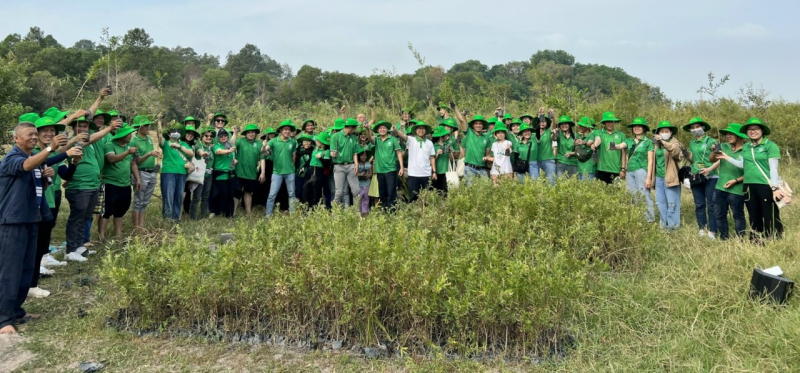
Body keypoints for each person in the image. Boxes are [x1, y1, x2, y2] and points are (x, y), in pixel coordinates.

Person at [0, 121, 58, 334]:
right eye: (29, 135)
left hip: (32, 219)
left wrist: (44, 178)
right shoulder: (12, 159)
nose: (34, 137)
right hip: (13, 222)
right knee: (9, 271)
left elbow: (34, 189)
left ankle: (16, 311)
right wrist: (51, 149)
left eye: (36, 134)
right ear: (16, 139)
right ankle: (3, 319)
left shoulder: (32, 161)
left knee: (26, 269)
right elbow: (23, 167)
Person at [29, 115, 82, 298]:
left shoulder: (51, 154)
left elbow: (65, 175)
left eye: (52, 131)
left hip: (49, 201)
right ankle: (30, 282)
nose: (50, 134)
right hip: (33, 205)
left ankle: (33, 281)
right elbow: (37, 163)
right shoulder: (33, 151)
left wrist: (74, 163)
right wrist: (66, 152)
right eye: (45, 131)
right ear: (35, 134)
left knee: (42, 242)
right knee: (33, 245)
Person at [63, 110, 119, 262]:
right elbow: (90, 137)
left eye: (85, 126)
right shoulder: (74, 141)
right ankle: (70, 249)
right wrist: (109, 127)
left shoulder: (91, 142)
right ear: (73, 128)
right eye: (79, 126)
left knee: (86, 216)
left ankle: (79, 245)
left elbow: (94, 137)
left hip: (93, 184)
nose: (82, 129)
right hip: (79, 185)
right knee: (77, 217)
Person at [739, 118, 786, 241]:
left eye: (756, 129)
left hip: (765, 185)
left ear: (762, 130)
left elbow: (773, 169)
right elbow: (743, 165)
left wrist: (775, 188)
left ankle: (774, 237)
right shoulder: (746, 147)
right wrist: (726, 157)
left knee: (769, 212)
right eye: (750, 129)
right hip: (749, 185)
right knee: (753, 213)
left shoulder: (770, 146)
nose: (753, 131)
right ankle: (756, 238)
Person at [101, 124, 140, 240]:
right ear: (121, 135)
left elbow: (133, 164)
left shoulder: (129, 146)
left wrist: (138, 179)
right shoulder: (109, 145)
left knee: (121, 211)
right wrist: (127, 152)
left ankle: (118, 235)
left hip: (125, 184)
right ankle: (101, 236)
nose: (130, 136)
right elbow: (111, 159)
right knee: (107, 210)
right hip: (111, 183)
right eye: (128, 134)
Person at [709, 123, 747, 240]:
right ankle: (724, 238)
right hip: (720, 187)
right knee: (719, 215)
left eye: (731, 134)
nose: (728, 136)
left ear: (739, 136)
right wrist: (714, 152)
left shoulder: (746, 150)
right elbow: (711, 160)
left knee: (738, 216)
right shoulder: (724, 146)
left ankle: (740, 239)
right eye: (727, 134)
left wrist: (735, 181)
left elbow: (750, 172)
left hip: (736, 189)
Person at [684, 117, 719, 239]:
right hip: (696, 176)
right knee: (699, 204)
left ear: (703, 127)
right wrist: (684, 153)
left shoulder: (711, 141)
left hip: (710, 176)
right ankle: (702, 228)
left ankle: (713, 230)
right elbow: (692, 159)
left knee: (711, 204)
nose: (695, 129)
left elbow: (720, 158)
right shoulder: (692, 142)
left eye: (697, 127)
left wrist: (709, 169)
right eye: (692, 128)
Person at [652, 121, 684, 230]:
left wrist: (663, 142)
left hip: (671, 177)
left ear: (671, 132)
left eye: (666, 131)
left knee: (672, 203)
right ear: (658, 133)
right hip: (659, 178)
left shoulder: (675, 142)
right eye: (662, 131)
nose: (664, 133)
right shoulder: (656, 144)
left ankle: (673, 227)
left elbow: (675, 151)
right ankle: (663, 225)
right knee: (660, 202)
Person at [129, 115, 160, 229]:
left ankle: (141, 225)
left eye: (148, 125)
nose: (148, 127)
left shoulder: (148, 139)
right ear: (139, 127)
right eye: (146, 125)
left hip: (152, 173)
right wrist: (149, 154)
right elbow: (135, 161)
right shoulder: (134, 141)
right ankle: (136, 227)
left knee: (145, 201)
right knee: (138, 200)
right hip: (141, 173)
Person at [624, 117, 655, 223]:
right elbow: (620, 146)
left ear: (644, 128)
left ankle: (649, 219)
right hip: (630, 171)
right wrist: (613, 146)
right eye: (634, 126)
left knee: (644, 195)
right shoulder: (629, 140)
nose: (636, 128)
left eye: (639, 126)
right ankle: (638, 219)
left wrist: (648, 178)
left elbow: (650, 161)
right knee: (632, 195)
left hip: (642, 171)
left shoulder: (648, 142)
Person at [264, 119, 298, 216]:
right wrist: (264, 147)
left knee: (291, 194)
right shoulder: (274, 141)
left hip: (290, 172)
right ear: (281, 130)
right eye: (285, 129)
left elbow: (294, 156)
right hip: (277, 172)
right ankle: (268, 215)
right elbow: (265, 151)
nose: (287, 131)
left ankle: (293, 214)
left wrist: (292, 166)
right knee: (272, 195)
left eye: (289, 130)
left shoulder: (293, 142)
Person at [160, 125, 194, 221]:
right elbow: (160, 139)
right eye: (173, 130)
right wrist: (159, 127)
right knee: (168, 196)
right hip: (168, 172)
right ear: (168, 133)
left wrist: (179, 147)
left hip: (182, 173)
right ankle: (167, 219)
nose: (176, 132)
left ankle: (175, 219)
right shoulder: (166, 143)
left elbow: (191, 153)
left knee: (178, 197)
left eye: (178, 130)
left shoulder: (183, 144)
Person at [395, 121, 435, 202]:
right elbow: (402, 136)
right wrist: (396, 130)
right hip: (413, 174)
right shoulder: (411, 140)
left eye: (423, 128)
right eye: (419, 128)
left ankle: (424, 214)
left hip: (426, 174)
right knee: (413, 197)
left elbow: (432, 158)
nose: (421, 130)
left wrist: (434, 171)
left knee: (426, 198)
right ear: (416, 130)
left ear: (425, 130)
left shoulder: (430, 143)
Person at [370, 121, 404, 210]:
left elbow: (398, 152)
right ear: (377, 130)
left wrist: (401, 167)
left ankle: (392, 211)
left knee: (391, 192)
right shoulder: (376, 140)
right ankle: (385, 211)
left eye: (384, 128)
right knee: (382, 192)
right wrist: (366, 128)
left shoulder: (393, 139)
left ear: (387, 129)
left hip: (390, 170)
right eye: (380, 128)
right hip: (379, 170)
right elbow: (369, 138)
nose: (382, 129)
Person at [330, 118, 360, 207]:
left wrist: (356, 164)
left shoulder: (353, 138)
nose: (355, 130)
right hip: (339, 166)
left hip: (351, 165)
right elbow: (332, 152)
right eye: (354, 128)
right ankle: (335, 213)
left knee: (356, 191)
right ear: (351, 128)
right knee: (339, 192)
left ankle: (357, 213)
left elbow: (355, 153)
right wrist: (332, 154)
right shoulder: (335, 136)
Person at [592, 111, 627, 185]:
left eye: (612, 122)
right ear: (604, 123)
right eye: (607, 122)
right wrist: (594, 145)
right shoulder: (598, 132)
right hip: (602, 169)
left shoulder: (621, 135)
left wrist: (623, 169)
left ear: (614, 122)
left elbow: (623, 153)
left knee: (616, 194)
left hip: (616, 170)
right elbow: (598, 140)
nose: (610, 124)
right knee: (601, 194)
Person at [456, 113, 491, 186]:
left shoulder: (486, 138)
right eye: (476, 124)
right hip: (470, 168)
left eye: (480, 124)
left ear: (483, 125)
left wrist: (489, 167)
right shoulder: (469, 133)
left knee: (486, 188)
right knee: (471, 190)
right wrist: (454, 108)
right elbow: (462, 121)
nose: (478, 125)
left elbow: (488, 154)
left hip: (482, 169)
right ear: (473, 125)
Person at [235, 124, 262, 214]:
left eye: (252, 132)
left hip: (251, 173)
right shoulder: (240, 141)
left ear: (255, 133)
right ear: (245, 134)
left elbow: (263, 157)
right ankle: (233, 212)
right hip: (239, 172)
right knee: (237, 192)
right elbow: (231, 144)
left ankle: (248, 212)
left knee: (248, 192)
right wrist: (235, 133)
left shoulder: (259, 144)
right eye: (249, 132)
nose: (251, 134)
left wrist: (263, 172)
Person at [189, 127, 215, 219]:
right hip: (200, 175)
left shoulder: (211, 148)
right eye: (206, 136)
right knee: (196, 197)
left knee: (205, 197)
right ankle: (192, 217)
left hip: (209, 175)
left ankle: (203, 216)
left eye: (211, 136)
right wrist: (203, 154)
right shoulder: (199, 145)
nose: (209, 137)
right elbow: (199, 152)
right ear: (202, 137)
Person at [212, 129, 236, 217]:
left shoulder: (230, 145)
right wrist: (228, 151)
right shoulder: (216, 146)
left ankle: (230, 214)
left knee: (230, 195)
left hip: (231, 173)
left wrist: (234, 161)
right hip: (221, 174)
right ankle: (220, 213)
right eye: (221, 136)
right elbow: (218, 152)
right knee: (222, 195)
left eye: (225, 135)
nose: (223, 137)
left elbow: (232, 157)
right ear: (218, 137)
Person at [305, 132, 331, 207]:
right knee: (307, 190)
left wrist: (320, 158)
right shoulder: (315, 148)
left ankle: (317, 208)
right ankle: (308, 208)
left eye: (318, 140)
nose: (316, 141)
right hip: (310, 170)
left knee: (317, 192)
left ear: (322, 142)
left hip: (318, 172)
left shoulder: (326, 151)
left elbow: (326, 164)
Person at [181, 125, 201, 216]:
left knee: (187, 191)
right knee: (181, 191)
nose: (190, 135)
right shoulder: (179, 142)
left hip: (189, 170)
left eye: (192, 134)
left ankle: (186, 211)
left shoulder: (193, 145)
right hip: (180, 169)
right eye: (188, 133)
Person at [431, 126, 457, 193]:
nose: (447, 136)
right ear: (441, 136)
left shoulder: (448, 145)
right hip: (436, 172)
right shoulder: (433, 146)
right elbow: (431, 160)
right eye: (446, 135)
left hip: (447, 172)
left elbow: (451, 160)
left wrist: (450, 153)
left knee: (445, 192)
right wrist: (437, 154)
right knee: (437, 191)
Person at [535, 108, 557, 184]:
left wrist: (553, 116)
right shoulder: (534, 133)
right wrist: (539, 113)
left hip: (549, 160)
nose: (542, 123)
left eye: (544, 121)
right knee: (539, 183)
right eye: (541, 121)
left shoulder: (548, 131)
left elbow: (553, 125)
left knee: (551, 182)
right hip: (537, 161)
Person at [295, 134, 315, 205]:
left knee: (306, 191)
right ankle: (297, 205)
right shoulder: (299, 149)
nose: (306, 144)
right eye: (305, 142)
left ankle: (306, 206)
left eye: (308, 142)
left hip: (308, 174)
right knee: (298, 190)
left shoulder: (313, 151)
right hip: (298, 173)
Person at [355, 147, 373, 215]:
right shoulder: (357, 164)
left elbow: (371, 173)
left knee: (366, 198)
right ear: (359, 156)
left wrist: (367, 175)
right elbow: (354, 174)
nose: (363, 157)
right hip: (359, 184)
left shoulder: (368, 163)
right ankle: (358, 211)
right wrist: (360, 174)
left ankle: (365, 212)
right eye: (362, 155)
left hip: (366, 183)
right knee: (359, 198)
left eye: (365, 155)